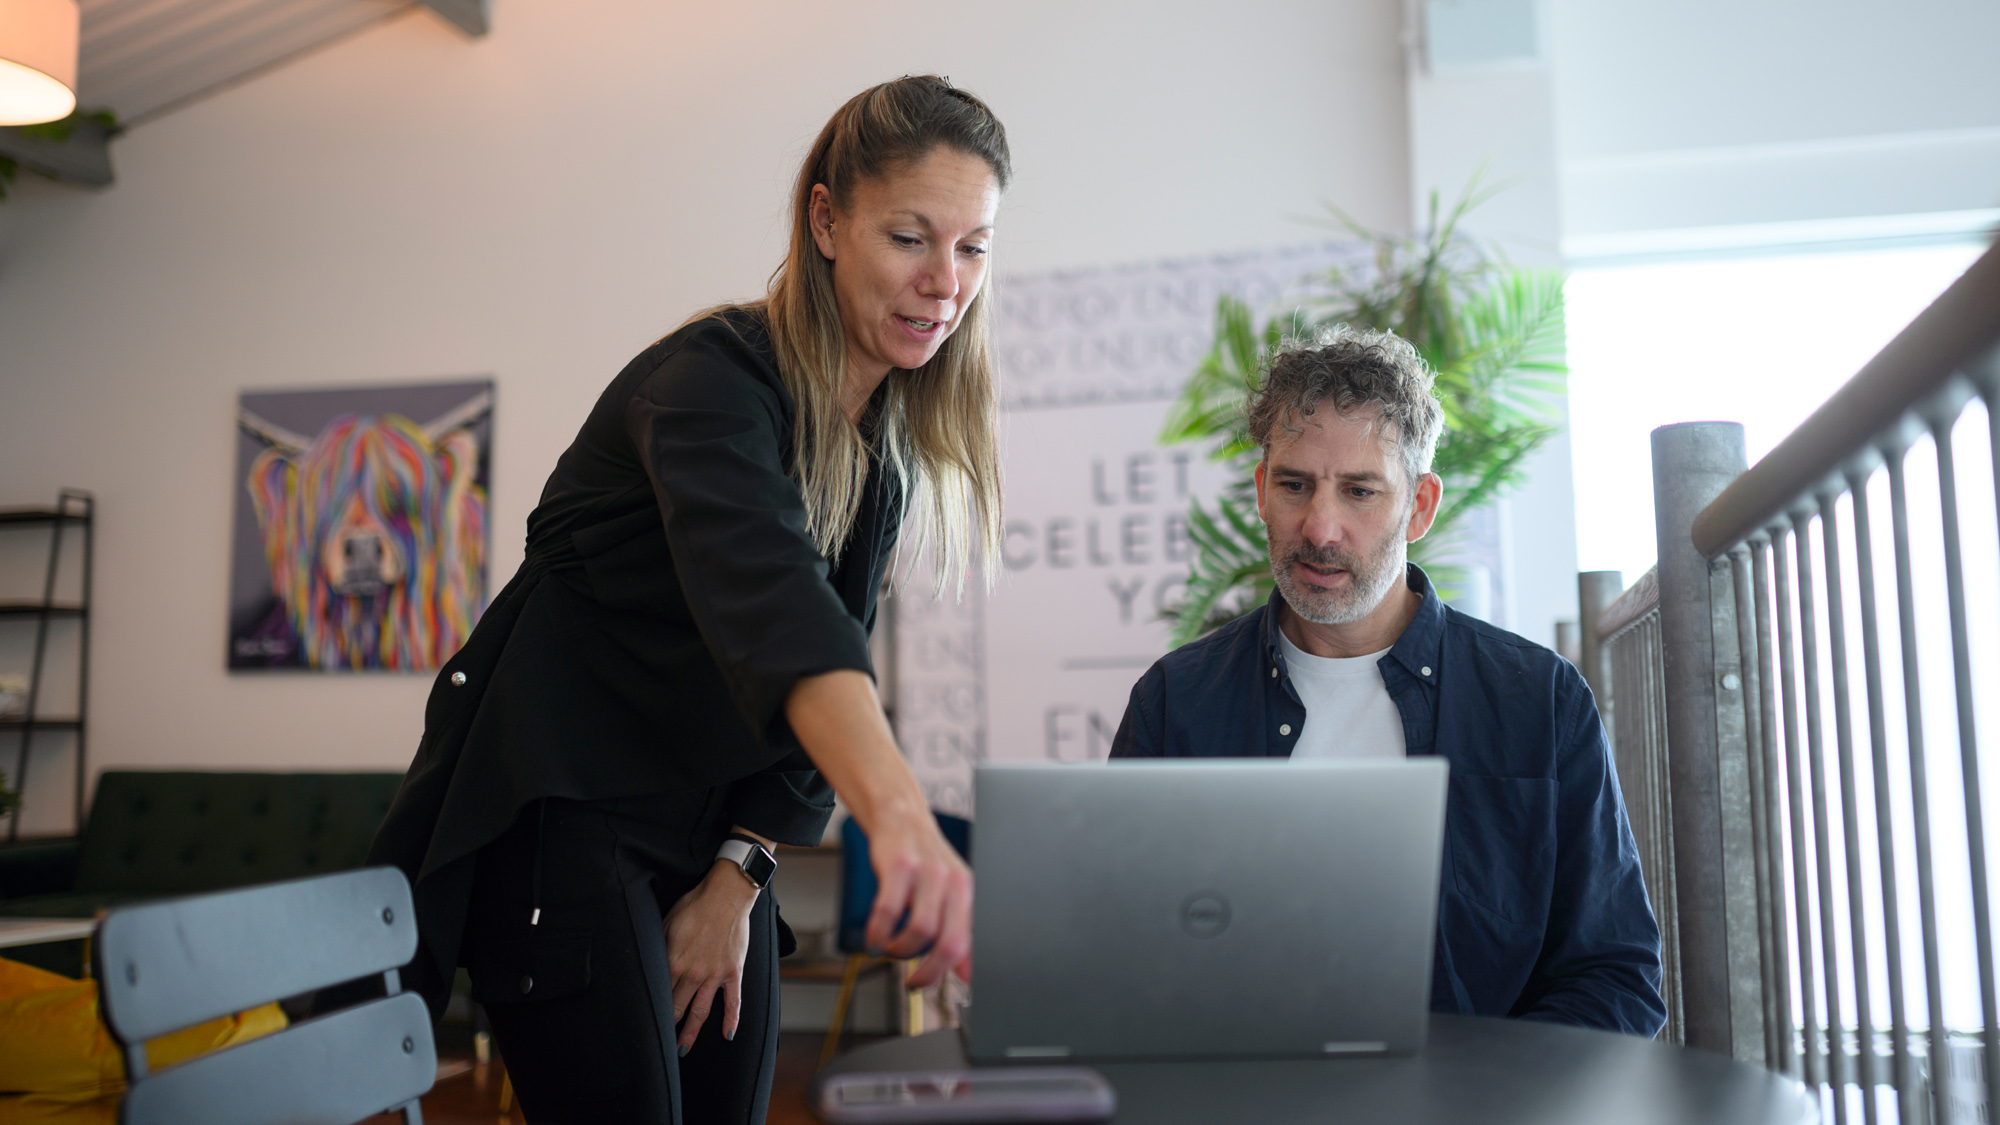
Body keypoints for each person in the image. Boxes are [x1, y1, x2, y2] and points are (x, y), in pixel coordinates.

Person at [362, 76, 1008, 1122]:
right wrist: (899, 817)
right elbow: (774, 606)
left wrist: (736, 881)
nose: (944, 281)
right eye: (910, 237)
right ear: (827, 220)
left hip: (708, 843)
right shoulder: (706, 387)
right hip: (562, 818)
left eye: (972, 247)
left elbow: (818, 678)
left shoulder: (875, 459)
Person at [1110, 328, 1667, 1036]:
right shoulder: (1175, 703)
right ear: (1260, 491)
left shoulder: (1540, 701)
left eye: (1360, 490)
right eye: (1294, 484)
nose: (1321, 527)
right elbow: (1120, 960)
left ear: (1421, 505)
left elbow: (1615, 979)